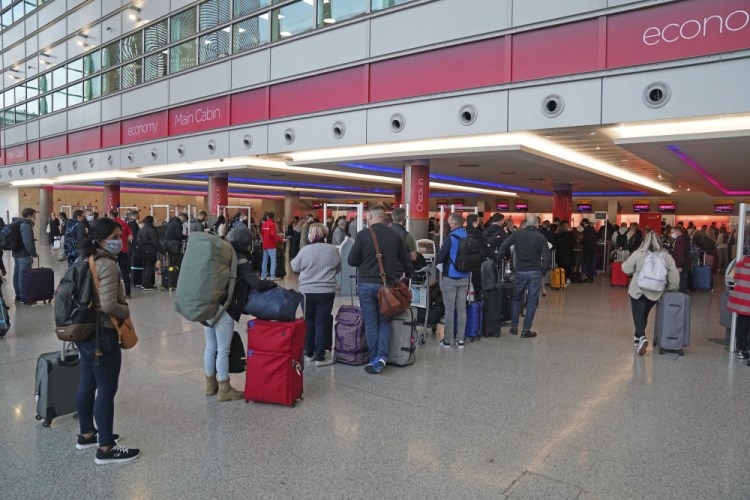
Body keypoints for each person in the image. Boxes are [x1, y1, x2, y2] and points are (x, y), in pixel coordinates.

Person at [74, 217, 140, 465]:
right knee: (107, 389)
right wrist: (126, 311)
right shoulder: (108, 265)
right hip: (103, 334)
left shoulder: (84, 258)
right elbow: (111, 304)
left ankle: (86, 433)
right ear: (100, 240)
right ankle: (106, 448)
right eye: (113, 238)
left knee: (87, 383)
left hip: (84, 332)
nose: (118, 242)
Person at [203, 226, 276, 400]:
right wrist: (270, 284)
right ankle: (224, 389)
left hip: (207, 303)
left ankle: (210, 385)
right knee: (223, 349)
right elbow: (255, 283)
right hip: (225, 307)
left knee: (210, 346)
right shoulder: (239, 257)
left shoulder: (221, 251)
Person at [348, 205, 412, 374]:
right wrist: (406, 276)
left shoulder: (362, 235)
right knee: (384, 321)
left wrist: (366, 260)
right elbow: (406, 261)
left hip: (366, 285)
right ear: (384, 217)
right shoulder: (395, 235)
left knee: (370, 322)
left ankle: (373, 357)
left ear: (369, 216)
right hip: (387, 286)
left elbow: (351, 260)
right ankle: (382, 356)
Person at [291, 223, 341, 367]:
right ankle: (320, 357)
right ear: (325, 234)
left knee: (308, 322)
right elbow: (338, 268)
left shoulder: (305, 250)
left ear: (311, 235)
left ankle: (309, 353)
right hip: (326, 292)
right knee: (322, 323)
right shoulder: (333, 250)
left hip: (306, 292)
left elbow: (294, 266)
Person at [622, 231, 680, 356]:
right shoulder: (665, 256)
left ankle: (642, 337)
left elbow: (626, 268)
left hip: (638, 290)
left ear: (644, 241)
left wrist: (633, 271)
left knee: (638, 316)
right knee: (644, 316)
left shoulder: (638, 254)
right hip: (655, 292)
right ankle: (637, 338)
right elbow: (674, 274)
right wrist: (671, 288)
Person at [496, 215, 550, 338]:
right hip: (535, 271)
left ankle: (514, 327)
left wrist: (500, 260)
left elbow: (504, 246)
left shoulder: (517, 234)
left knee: (516, 299)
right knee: (531, 301)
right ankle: (526, 330)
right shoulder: (541, 237)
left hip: (519, 270)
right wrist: (542, 272)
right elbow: (546, 258)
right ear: (537, 224)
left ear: (525, 224)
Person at [435, 213, 472, 348]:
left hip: (450, 277)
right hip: (465, 277)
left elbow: (439, 257)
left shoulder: (450, 238)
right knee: (461, 309)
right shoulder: (468, 236)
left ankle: (447, 340)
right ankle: (460, 339)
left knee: (449, 310)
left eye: (449, 222)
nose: (448, 224)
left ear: (454, 224)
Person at [11, 208, 39, 304]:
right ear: (29, 216)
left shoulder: (18, 223)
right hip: (24, 254)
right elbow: (27, 242)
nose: (35, 217)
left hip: (17, 253)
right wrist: (33, 253)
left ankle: (18, 295)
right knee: (23, 276)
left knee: (17, 275)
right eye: (34, 215)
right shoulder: (26, 225)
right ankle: (24, 297)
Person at [727, 245, 750, 362]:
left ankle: (742, 350)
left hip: (742, 299)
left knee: (741, 323)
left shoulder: (740, 263)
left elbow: (735, 278)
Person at [109, 210, 133, 299]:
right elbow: (130, 237)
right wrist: (124, 242)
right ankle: (128, 294)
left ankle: (112, 294)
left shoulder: (109, 224)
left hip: (111, 252)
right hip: (123, 250)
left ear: (109, 214)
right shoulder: (124, 223)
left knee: (110, 272)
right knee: (125, 273)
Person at [135, 216, 163, 291]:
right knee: (149, 267)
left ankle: (144, 283)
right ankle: (146, 284)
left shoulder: (141, 230)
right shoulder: (151, 230)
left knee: (145, 267)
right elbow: (156, 242)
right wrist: (162, 251)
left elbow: (137, 241)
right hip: (150, 251)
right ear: (151, 222)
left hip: (142, 251)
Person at [465, 213, 484, 297]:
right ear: (474, 222)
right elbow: (483, 247)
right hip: (476, 263)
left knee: (464, 287)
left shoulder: (463, 232)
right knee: (477, 287)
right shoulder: (477, 233)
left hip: (464, 262)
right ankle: (476, 305)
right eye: (478, 221)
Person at [260, 211, 282, 280]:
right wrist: (280, 239)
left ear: (267, 217)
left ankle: (263, 276)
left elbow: (262, 234)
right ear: (273, 217)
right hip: (271, 245)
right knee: (273, 261)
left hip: (265, 245)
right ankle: (272, 276)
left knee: (264, 260)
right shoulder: (272, 224)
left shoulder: (264, 224)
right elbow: (273, 235)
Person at [671, 226, 690, 294]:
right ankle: (683, 296)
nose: (672, 234)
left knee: (681, 281)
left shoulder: (680, 240)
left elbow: (680, 253)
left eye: (673, 232)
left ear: (678, 232)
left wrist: (679, 265)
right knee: (683, 280)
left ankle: (681, 297)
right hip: (684, 263)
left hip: (680, 265)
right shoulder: (684, 239)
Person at [581, 218, 598, 282]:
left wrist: (580, 242)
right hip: (592, 248)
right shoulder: (592, 228)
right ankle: (590, 276)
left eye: (582, 222)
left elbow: (586, 240)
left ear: (584, 222)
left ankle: (590, 277)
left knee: (588, 263)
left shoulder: (586, 229)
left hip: (587, 249)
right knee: (590, 262)